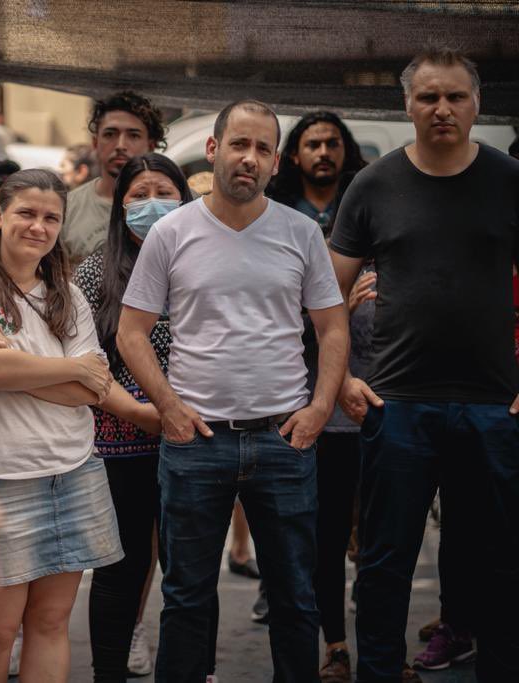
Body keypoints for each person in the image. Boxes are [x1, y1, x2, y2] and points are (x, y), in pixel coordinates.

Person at [118, 99, 349, 683]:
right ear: (214, 150)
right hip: (196, 444)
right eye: (239, 145)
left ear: (276, 161)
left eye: (263, 149)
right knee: (188, 599)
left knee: (296, 598)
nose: (250, 158)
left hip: (283, 441)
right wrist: (167, 407)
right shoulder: (171, 232)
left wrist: (320, 407)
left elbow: (332, 325)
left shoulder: (300, 232)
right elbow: (131, 332)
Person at [329, 47, 519, 683]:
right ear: (407, 105)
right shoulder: (375, 183)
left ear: (476, 105)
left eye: (455, 97)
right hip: (398, 404)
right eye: (428, 97)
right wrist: (343, 378)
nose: (442, 109)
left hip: (493, 407)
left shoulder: (507, 180)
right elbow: (325, 295)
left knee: (499, 566)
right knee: (385, 566)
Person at [0, 169, 160, 683]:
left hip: (72, 474)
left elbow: (92, 387)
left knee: (51, 624)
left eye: (50, 217)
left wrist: (18, 360)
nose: (38, 226)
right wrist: (58, 368)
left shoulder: (67, 294)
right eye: (26, 214)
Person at [73, 152, 200, 682]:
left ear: (185, 199)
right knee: (119, 571)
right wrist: (138, 411)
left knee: (188, 576)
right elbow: (77, 360)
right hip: (121, 443)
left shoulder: (204, 260)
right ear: (119, 205)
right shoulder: (98, 267)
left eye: (163, 193)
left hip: (195, 439)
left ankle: (194, 670)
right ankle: (109, 674)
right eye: (139, 195)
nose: (152, 205)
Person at [260, 112, 371, 682]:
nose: (324, 152)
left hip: (375, 392)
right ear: (294, 156)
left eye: (332, 143)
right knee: (323, 533)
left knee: (376, 536)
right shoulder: (279, 219)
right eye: (311, 144)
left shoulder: (366, 206)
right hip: (305, 398)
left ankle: (378, 646)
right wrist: (330, 310)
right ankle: (335, 645)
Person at [60, 91, 166, 264]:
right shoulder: (68, 208)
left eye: (133, 135)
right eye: (110, 134)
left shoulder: (180, 203)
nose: (120, 145)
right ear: (95, 143)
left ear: (151, 145)